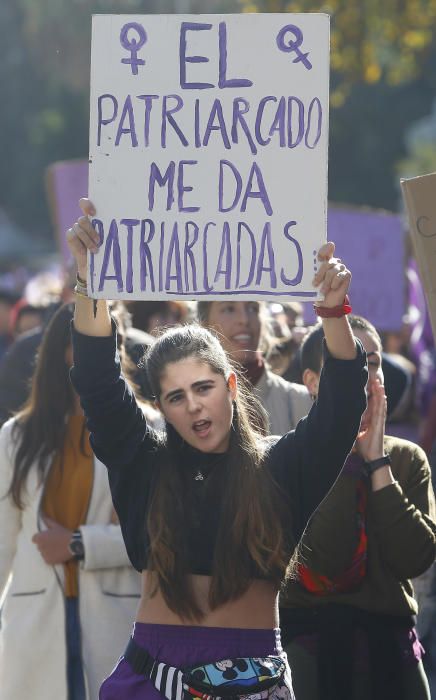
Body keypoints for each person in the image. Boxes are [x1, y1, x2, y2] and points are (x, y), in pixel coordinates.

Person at [65, 198, 367, 700]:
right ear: (159, 405)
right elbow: (97, 381)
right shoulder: (144, 462)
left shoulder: (281, 465)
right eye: (176, 397)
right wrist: (88, 280)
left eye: (204, 388)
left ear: (230, 384)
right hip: (152, 675)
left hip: (254, 679)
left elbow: (339, 411)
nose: (194, 408)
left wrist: (334, 311)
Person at [280, 315, 436, 700]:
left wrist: (378, 463)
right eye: (348, 366)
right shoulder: (287, 455)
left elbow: (414, 559)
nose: (365, 378)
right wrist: (345, 456)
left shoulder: (407, 459)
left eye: (372, 364)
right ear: (313, 382)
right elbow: (326, 560)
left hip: (392, 652)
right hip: (311, 652)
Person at [0, 302, 141, 700]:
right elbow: (3, 543)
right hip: (34, 624)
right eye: (86, 336)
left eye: (110, 337)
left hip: (117, 619)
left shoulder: (148, 429)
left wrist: (80, 544)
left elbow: (154, 539)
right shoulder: (16, 436)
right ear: (63, 347)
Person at [196, 301, 312, 435]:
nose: (244, 320)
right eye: (229, 309)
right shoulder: (189, 408)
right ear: (204, 324)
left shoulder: (303, 401)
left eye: (253, 308)